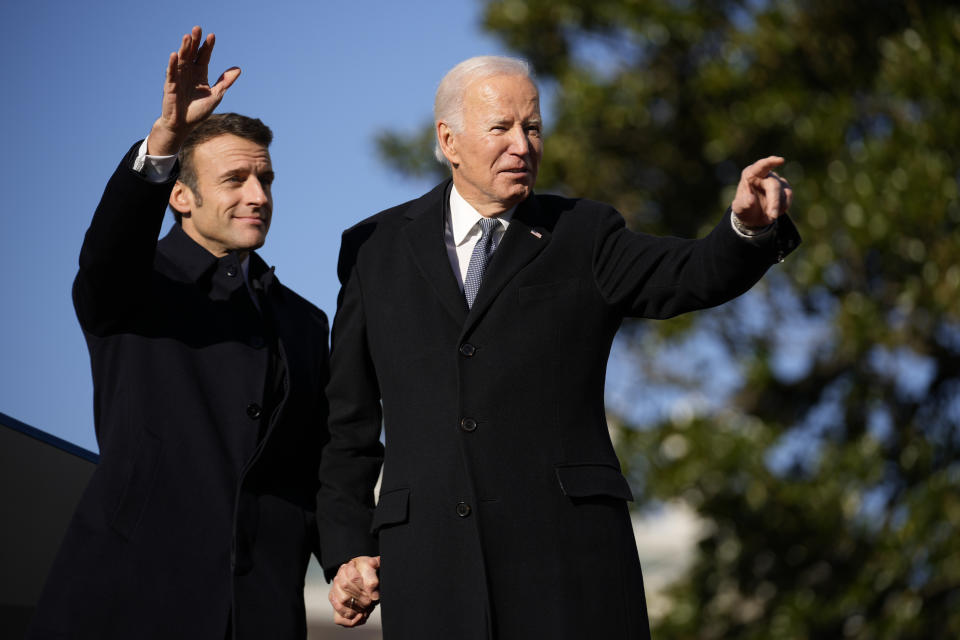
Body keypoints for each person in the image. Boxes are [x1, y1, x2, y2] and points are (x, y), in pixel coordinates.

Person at [317, 56, 800, 639]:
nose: (522, 144)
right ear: (449, 140)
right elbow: (347, 425)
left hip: (569, 570)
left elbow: (690, 272)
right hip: (431, 571)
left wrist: (744, 229)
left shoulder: (584, 234)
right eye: (501, 128)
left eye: (533, 127)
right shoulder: (376, 250)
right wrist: (346, 550)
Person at [29, 27, 329, 640]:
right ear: (180, 196)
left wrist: (347, 557)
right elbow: (109, 249)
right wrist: (164, 137)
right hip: (128, 601)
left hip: (260, 611)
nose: (258, 196)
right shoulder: (134, 286)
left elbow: (315, 465)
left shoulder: (303, 321)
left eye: (265, 180)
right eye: (236, 180)